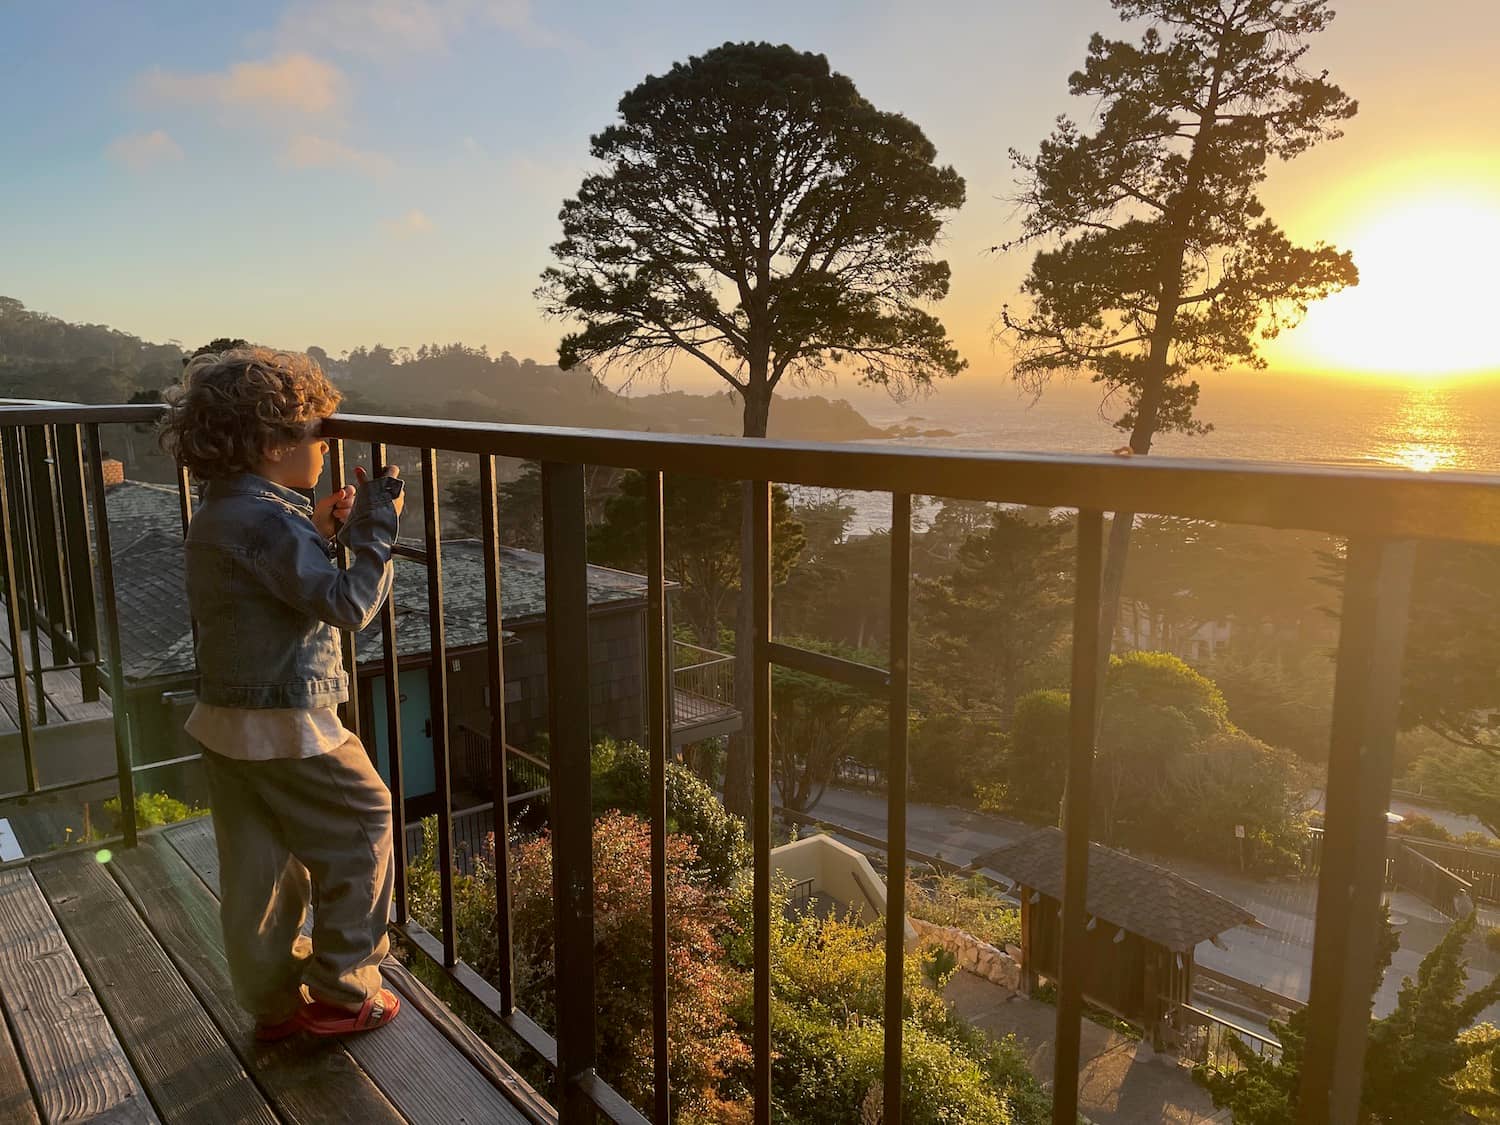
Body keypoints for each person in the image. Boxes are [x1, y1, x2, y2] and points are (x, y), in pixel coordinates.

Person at [160, 346, 405, 1040]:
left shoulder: (227, 511)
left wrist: (320, 529)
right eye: (318, 433)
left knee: (261, 867)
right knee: (365, 819)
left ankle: (271, 997)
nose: (326, 448)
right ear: (273, 443)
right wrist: (375, 529)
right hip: (284, 717)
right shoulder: (268, 520)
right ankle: (343, 989)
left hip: (226, 720)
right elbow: (346, 605)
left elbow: (269, 581)